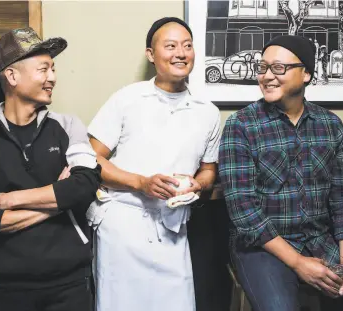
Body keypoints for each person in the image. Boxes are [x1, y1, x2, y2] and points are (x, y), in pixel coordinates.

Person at [218, 35, 343, 311]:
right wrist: (298, 263)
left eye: (278, 68)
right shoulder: (241, 125)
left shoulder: (330, 124)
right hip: (263, 247)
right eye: (262, 68)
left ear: (307, 73)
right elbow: (244, 210)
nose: (266, 76)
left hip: (319, 241)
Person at [0, 27, 100, 311]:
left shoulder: (69, 127)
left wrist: (11, 199)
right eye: (44, 69)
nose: (53, 78)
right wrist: (59, 198)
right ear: (12, 76)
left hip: (71, 282)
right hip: (10, 286)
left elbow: (85, 186)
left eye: (53, 69)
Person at [87, 17, 221, 311]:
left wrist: (199, 184)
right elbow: (90, 160)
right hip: (122, 224)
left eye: (187, 46)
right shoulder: (127, 99)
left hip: (174, 228)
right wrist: (141, 183)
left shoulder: (207, 112)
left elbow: (209, 169)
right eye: (170, 46)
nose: (181, 53)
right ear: (151, 54)